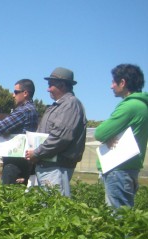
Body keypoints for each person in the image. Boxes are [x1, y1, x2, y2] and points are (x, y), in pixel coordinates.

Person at [25, 67, 87, 197]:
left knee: (55, 209)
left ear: (62, 85)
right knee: (47, 207)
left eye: (50, 85)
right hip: (48, 166)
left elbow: (60, 137)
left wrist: (37, 152)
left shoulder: (70, 104)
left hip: (57, 168)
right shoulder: (58, 105)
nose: (48, 89)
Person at [94, 64, 148, 208]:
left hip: (119, 169)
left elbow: (100, 132)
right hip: (130, 168)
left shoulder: (130, 106)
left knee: (118, 221)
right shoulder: (143, 105)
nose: (111, 86)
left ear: (122, 83)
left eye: (113, 82)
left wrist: (107, 136)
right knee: (125, 217)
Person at [0, 79, 39, 184]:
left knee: (7, 195)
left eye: (16, 92)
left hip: (15, 161)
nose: (13, 95)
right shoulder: (33, 109)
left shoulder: (24, 110)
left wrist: (7, 131)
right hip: (24, 160)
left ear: (25, 93)